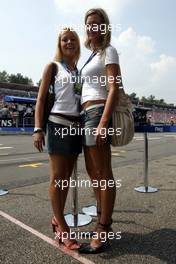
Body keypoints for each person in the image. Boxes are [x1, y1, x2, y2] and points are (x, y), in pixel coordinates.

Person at [33, 28, 82, 250]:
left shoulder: (78, 71)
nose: (69, 42)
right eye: (65, 39)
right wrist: (37, 128)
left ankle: (57, 218)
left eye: (73, 39)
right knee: (57, 177)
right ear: (59, 44)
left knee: (66, 179)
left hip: (76, 127)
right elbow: (41, 99)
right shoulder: (52, 67)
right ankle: (62, 227)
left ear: (77, 43)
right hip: (57, 124)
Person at [79, 8, 122, 253]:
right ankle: (101, 219)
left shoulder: (109, 51)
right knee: (93, 173)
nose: (91, 27)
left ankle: (103, 228)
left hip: (97, 114)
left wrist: (104, 122)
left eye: (96, 23)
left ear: (104, 27)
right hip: (86, 115)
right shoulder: (92, 55)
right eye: (88, 24)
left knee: (103, 173)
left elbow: (114, 88)